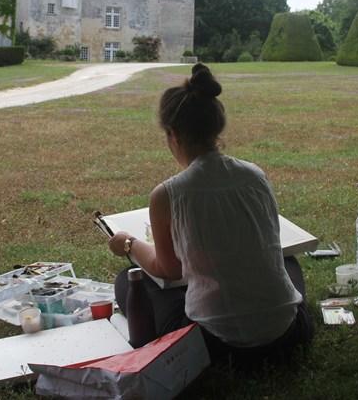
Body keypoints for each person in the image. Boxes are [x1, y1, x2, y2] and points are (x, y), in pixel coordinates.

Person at [108, 63, 313, 368]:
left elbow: (169, 269)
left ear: (172, 135)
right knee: (289, 264)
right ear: (216, 128)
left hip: (213, 343)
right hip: (289, 331)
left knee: (129, 280)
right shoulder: (255, 176)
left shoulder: (167, 194)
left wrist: (128, 244)